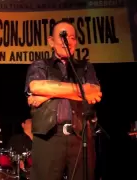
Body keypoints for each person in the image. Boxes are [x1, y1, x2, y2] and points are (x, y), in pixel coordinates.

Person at [25, 20, 102, 180]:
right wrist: (81, 90)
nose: (67, 41)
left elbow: (94, 92)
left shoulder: (86, 66)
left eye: (72, 37)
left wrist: (49, 93)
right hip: (48, 136)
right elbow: (36, 87)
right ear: (51, 41)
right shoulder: (40, 65)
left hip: (80, 136)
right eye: (62, 36)